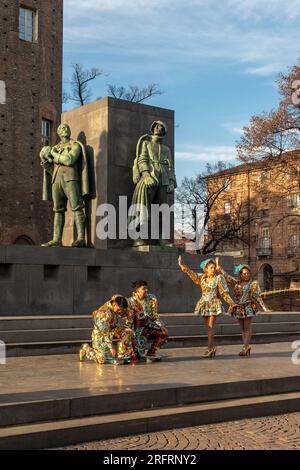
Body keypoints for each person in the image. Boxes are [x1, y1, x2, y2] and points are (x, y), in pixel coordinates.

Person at [40, 123, 89, 248]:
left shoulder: (75, 145)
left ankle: (81, 238)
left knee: (77, 207)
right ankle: (56, 239)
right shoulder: (55, 147)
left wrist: (54, 155)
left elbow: (69, 160)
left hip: (71, 178)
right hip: (56, 180)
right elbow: (52, 169)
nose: (65, 129)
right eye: (62, 128)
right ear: (58, 132)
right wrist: (45, 161)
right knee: (58, 210)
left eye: (67, 127)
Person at [178, 256, 236, 358]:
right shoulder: (202, 278)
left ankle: (210, 348)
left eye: (214, 268)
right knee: (208, 328)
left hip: (214, 303)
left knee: (210, 327)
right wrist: (182, 266)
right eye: (211, 268)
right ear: (206, 269)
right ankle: (212, 348)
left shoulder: (219, 278)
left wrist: (232, 303)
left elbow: (224, 293)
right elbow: (192, 274)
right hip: (204, 304)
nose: (213, 270)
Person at [216, 258, 269, 357]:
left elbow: (257, 296)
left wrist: (265, 308)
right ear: (240, 274)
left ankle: (245, 347)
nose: (246, 275)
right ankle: (246, 346)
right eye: (244, 273)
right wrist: (219, 267)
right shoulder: (235, 283)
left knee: (247, 328)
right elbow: (226, 276)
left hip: (248, 306)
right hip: (238, 308)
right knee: (242, 329)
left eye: (248, 273)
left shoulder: (253, 284)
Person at [79, 295, 136, 365]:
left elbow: (125, 314)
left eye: (121, 310)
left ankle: (122, 355)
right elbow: (104, 333)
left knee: (128, 332)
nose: (120, 312)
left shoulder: (117, 305)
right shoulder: (103, 313)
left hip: (112, 330)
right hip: (100, 335)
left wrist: (129, 317)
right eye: (118, 310)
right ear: (114, 304)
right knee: (101, 359)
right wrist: (111, 348)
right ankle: (86, 348)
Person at [127, 280, 169, 359]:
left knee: (164, 333)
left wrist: (160, 325)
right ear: (137, 290)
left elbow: (154, 316)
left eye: (146, 288)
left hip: (149, 326)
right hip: (136, 329)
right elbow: (128, 319)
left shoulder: (151, 298)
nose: (146, 290)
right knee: (135, 357)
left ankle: (151, 352)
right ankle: (134, 351)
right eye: (143, 288)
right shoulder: (130, 301)